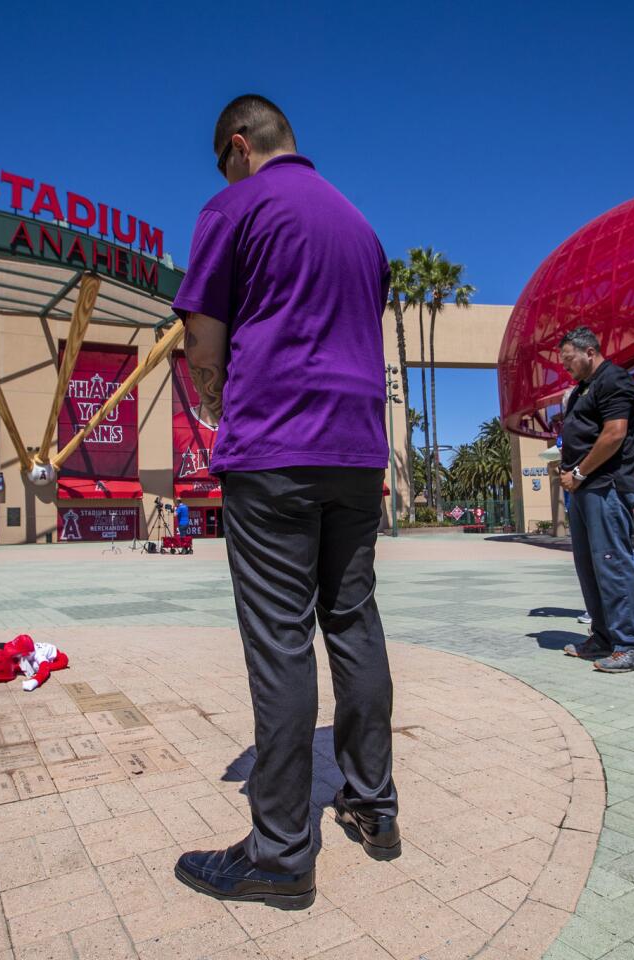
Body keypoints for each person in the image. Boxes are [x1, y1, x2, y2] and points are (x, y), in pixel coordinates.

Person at [170, 95, 398, 910]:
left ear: (238, 145)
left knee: (280, 644)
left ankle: (279, 852)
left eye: (224, 158)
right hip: (356, 450)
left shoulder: (237, 203)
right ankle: (374, 805)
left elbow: (203, 336)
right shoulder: (360, 225)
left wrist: (219, 401)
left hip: (275, 448)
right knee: (353, 620)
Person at [557, 326, 634, 672]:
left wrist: (579, 472)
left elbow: (614, 434)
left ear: (589, 352)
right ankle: (603, 638)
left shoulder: (615, 380)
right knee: (590, 568)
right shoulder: (584, 388)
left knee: (613, 565)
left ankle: (633, 646)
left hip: (606, 487)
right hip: (583, 490)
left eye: (569, 360)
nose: (566, 367)